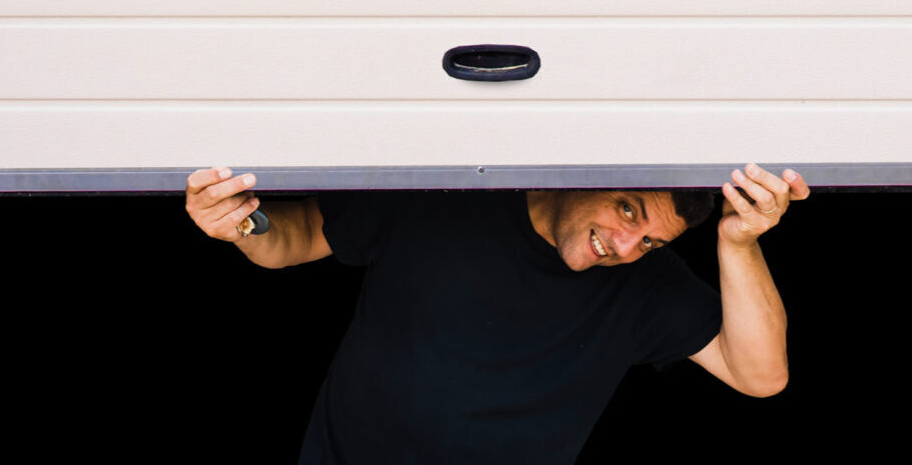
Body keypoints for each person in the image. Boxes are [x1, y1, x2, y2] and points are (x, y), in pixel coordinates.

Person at [185, 162, 809, 463]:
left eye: (649, 240)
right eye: (626, 210)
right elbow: (289, 240)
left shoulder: (645, 284)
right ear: (586, 172)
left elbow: (761, 375)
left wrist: (739, 242)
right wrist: (241, 221)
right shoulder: (446, 197)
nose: (624, 247)